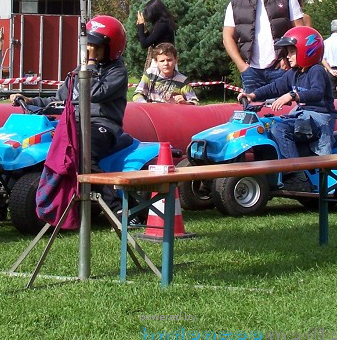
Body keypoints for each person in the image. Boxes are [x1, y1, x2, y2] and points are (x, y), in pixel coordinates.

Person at [12, 15, 129, 216]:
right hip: (74, 122)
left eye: (96, 46)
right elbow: (60, 100)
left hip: (101, 126)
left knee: (83, 154)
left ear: (111, 47)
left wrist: (89, 65)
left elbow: (92, 93)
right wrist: (32, 101)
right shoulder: (78, 71)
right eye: (88, 44)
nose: (90, 50)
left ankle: (117, 208)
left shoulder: (117, 72)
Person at [238, 26, 337, 191]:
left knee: (281, 128)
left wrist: (293, 96)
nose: (288, 57)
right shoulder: (295, 73)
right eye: (287, 52)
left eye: (292, 52)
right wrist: (252, 95)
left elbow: (317, 93)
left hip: (320, 118)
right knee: (267, 124)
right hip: (302, 116)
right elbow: (275, 87)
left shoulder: (317, 71)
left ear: (307, 50)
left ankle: (298, 176)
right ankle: (269, 172)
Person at [223, 0, 305, 93]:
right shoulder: (236, 1)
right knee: (253, 111)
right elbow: (227, 37)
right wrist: (241, 65)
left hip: (281, 68)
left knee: (283, 110)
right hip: (251, 71)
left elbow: (300, 32)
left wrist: (289, 58)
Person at [132, 42, 199, 104]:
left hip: (171, 114)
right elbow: (137, 95)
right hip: (151, 113)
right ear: (156, 62)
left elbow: (195, 102)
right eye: (162, 61)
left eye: (169, 60)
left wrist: (185, 103)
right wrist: (145, 105)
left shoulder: (182, 80)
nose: (166, 63)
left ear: (176, 60)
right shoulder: (150, 74)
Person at [322, 19, 337, 98]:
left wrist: (330, 70)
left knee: (332, 97)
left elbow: (322, 58)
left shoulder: (325, 42)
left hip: (330, 71)